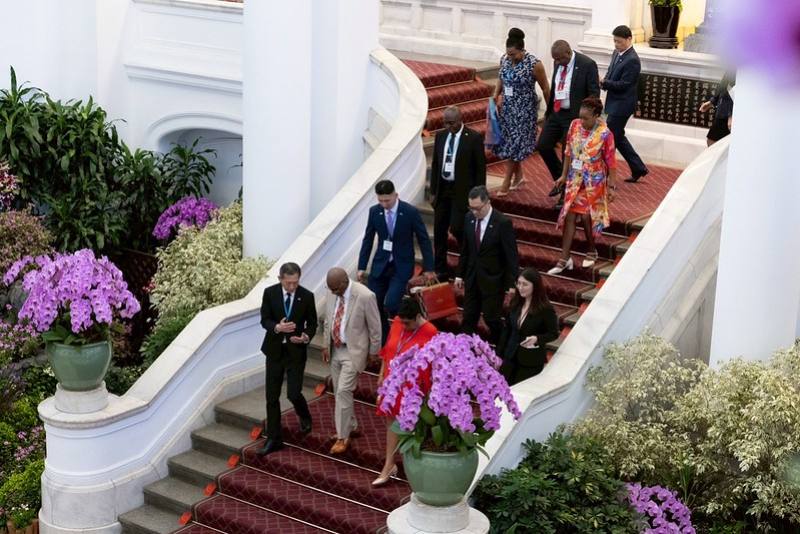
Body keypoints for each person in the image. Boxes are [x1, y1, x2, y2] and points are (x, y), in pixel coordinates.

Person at [372, 297, 438, 487]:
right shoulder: (398, 323)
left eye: (408, 323)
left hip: (414, 387)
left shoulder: (430, 332)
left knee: (412, 428)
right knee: (391, 424)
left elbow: (433, 365)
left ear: (418, 316)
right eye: (402, 321)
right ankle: (389, 464)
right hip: (392, 383)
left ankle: (415, 472)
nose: (404, 325)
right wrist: (382, 375)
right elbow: (388, 350)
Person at [547, 96, 617, 275]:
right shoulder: (574, 125)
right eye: (581, 116)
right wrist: (563, 175)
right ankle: (564, 259)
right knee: (570, 214)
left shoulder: (605, 134)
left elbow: (611, 161)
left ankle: (592, 249)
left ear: (595, 116)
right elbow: (568, 151)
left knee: (586, 215)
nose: (582, 121)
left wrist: (611, 187)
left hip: (593, 182)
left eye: (586, 118)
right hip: (575, 179)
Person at [358, 179, 435, 339]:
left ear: (395, 195)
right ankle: (385, 337)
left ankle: (406, 326)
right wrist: (362, 266)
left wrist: (428, 267)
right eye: (381, 200)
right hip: (380, 264)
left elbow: (424, 239)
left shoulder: (410, 212)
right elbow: (368, 238)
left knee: (392, 303)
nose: (384, 204)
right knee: (373, 303)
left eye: (387, 200)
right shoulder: (374, 212)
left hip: (402, 265)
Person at [256, 262, 317, 456]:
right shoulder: (270, 293)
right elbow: (264, 319)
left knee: (293, 392)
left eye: (295, 283)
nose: (292, 286)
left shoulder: (307, 296)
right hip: (274, 350)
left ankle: (304, 415)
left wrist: (305, 336)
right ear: (280, 279)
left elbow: (313, 323)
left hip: (295, 351)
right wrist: (277, 327)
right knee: (271, 397)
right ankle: (274, 438)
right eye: (288, 283)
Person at [321, 267, 382, 455]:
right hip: (335, 349)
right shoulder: (332, 293)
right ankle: (351, 425)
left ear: (344, 283)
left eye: (335, 289)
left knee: (343, 390)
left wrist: (373, 352)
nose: (332, 293)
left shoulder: (365, 296)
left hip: (353, 352)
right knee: (339, 391)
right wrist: (325, 344)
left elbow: (375, 327)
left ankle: (343, 436)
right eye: (330, 289)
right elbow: (328, 320)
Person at [538, 40, 600, 209]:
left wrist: (587, 118)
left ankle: (566, 191)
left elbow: (594, 93)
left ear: (567, 53)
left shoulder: (587, 64)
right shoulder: (559, 62)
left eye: (559, 59)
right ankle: (561, 180)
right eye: (554, 60)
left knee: (569, 154)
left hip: (574, 117)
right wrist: (548, 113)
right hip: (556, 113)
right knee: (543, 145)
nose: (556, 62)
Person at [455, 186, 519, 344]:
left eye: (478, 208)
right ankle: (463, 352)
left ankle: (502, 347)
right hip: (472, 278)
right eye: (471, 208)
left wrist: (512, 283)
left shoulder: (502, 223)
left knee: (491, 318)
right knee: (468, 318)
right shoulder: (469, 218)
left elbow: (511, 255)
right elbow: (466, 250)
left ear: (488, 203)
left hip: (493, 280)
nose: (475, 212)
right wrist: (459, 274)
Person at [429, 106, 487, 278]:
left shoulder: (473, 138)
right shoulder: (441, 136)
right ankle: (441, 269)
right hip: (443, 189)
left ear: (460, 120)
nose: (448, 126)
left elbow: (480, 169)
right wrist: (433, 191)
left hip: (462, 192)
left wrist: (479, 195)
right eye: (445, 122)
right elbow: (435, 165)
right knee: (439, 231)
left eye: (451, 123)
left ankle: (467, 262)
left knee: (457, 227)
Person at [492, 28, 550, 196]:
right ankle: (518, 177)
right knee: (510, 142)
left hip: (525, 111)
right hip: (508, 109)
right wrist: (495, 94)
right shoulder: (505, 60)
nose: (511, 58)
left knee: (515, 144)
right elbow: (501, 78)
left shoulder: (534, 63)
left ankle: (506, 181)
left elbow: (545, 88)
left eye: (514, 55)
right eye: (508, 54)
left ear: (521, 50)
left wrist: (550, 111)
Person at [602, 25, 649, 184]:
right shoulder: (617, 53)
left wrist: (605, 83)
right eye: (614, 41)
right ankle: (638, 168)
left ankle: (604, 174)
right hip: (613, 101)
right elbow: (610, 71)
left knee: (609, 138)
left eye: (619, 42)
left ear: (629, 39)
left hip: (623, 105)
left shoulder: (633, 60)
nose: (616, 45)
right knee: (618, 136)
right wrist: (604, 82)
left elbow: (625, 85)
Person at [498, 268, 559, 385]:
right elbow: (507, 330)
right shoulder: (515, 303)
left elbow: (553, 333)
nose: (520, 287)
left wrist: (537, 339)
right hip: (510, 357)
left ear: (535, 286)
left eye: (525, 284)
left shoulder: (545, 309)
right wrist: (499, 354)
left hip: (530, 362)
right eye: (518, 283)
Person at [699, 71, 735, 146]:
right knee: (712, 142)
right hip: (723, 110)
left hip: (728, 113)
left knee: (715, 143)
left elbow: (735, 88)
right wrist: (711, 102)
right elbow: (724, 84)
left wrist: (731, 114)